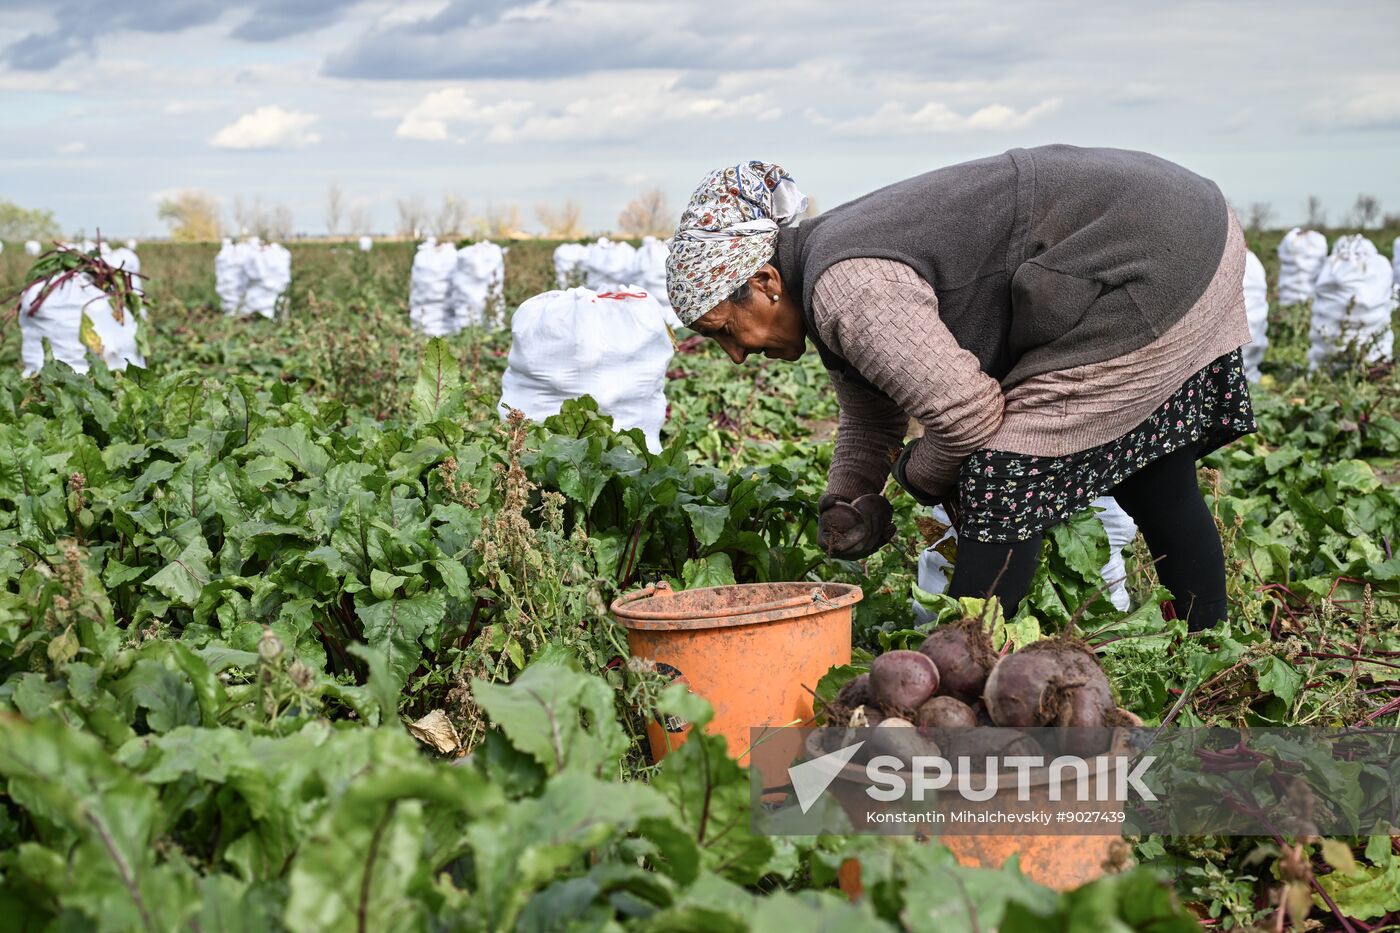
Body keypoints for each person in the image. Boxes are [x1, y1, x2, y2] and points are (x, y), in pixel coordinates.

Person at [665, 149, 1256, 631]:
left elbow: (968, 417)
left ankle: (960, 679)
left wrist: (917, 479)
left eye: (725, 331)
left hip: (1151, 254)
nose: (736, 354)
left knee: (1004, 472)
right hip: (1188, 222)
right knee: (1155, 474)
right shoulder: (824, 273)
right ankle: (1207, 646)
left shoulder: (848, 290)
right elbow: (872, 415)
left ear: (766, 282)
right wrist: (848, 497)